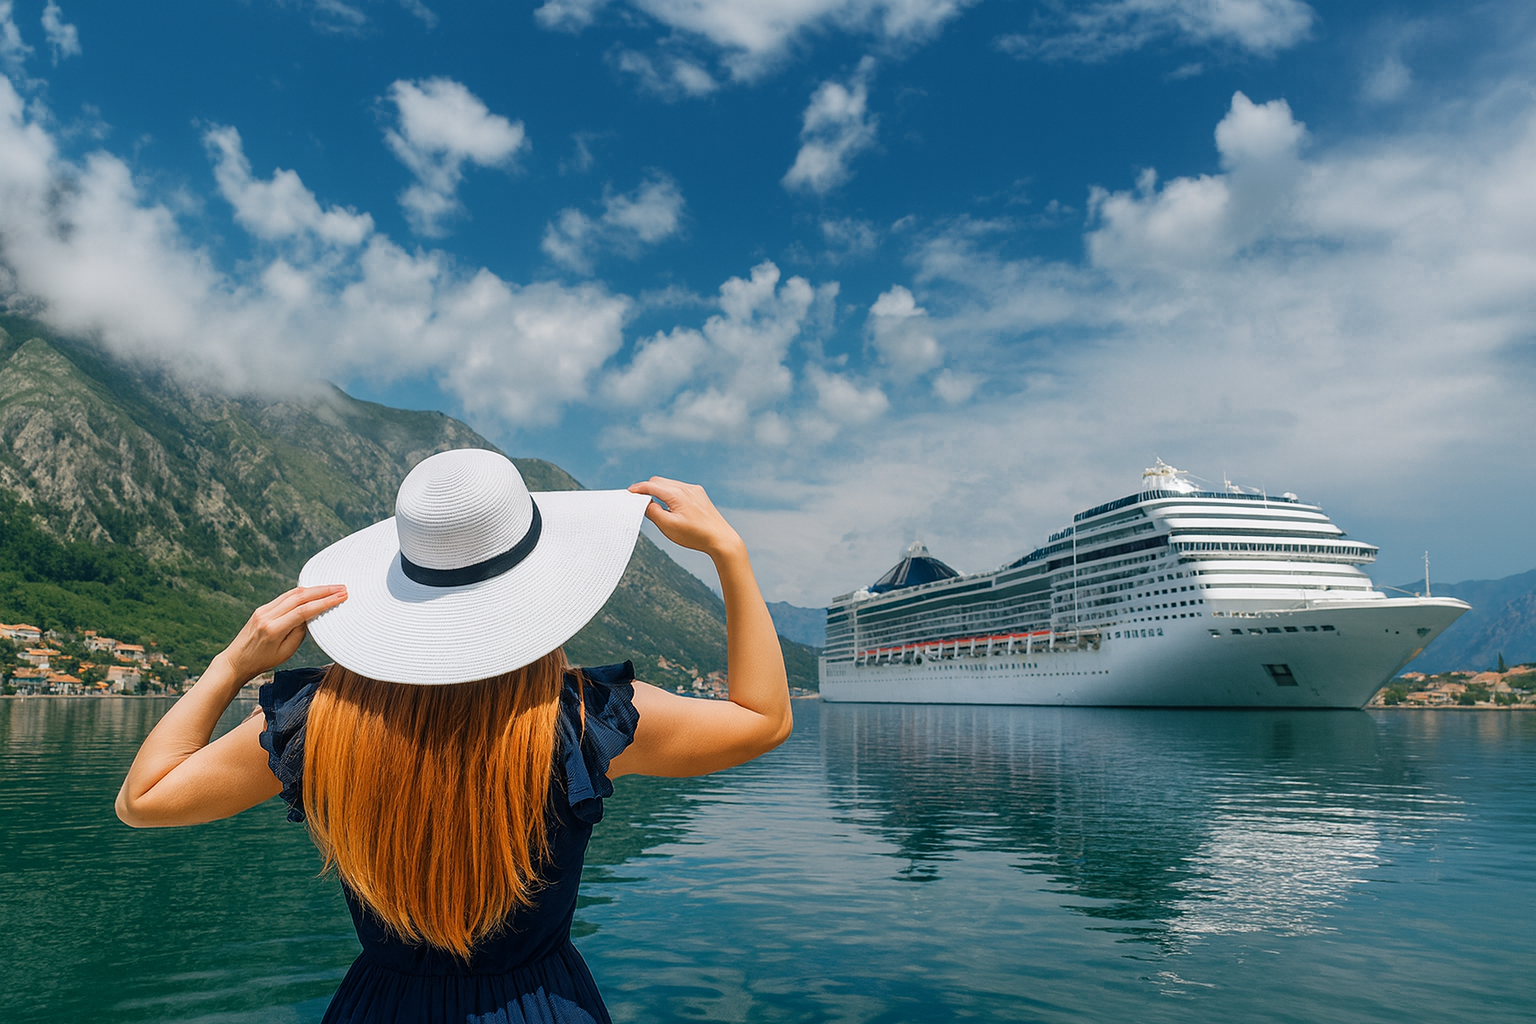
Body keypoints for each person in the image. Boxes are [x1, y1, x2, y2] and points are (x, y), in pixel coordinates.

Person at [116, 449, 791, 1023]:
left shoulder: (320, 721)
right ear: (542, 590)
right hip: (543, 1005)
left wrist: (231, 665)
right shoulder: (584, 720)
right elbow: (764, 721)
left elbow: (143, 801)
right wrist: (729, 553)